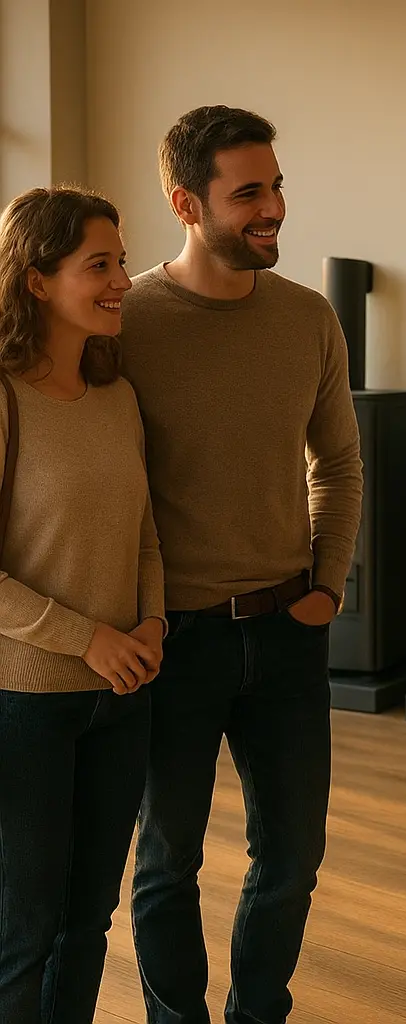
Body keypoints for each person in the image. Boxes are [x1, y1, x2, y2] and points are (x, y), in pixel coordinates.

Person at [120, 106, 363, 1023]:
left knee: (293, 855)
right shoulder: (128, 322)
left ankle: (259, 1014)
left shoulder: (307, 317)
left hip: (286, 630)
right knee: (167, 859)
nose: (275, 209)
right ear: (188, 202)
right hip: (170, 641)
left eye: (278, 185)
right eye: (249, 192)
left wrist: (326, 583)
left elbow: (337, 462)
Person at [0, 186, 165, 1022]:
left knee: (88, 923)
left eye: (122, 263)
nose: (122, 281)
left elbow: (143, 535)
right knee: (21, 932)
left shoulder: (117, 397)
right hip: (24, 704)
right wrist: (85, 638)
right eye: (98, 265)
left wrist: (152, 623)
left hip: (121, 697)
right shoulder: (2, 398)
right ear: (36, 280)